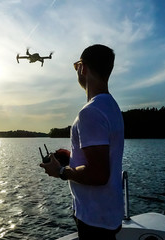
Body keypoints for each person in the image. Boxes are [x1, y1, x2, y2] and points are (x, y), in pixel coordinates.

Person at [40, 44, 124, 240]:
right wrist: (72, 158)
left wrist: (60, 172)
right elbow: (103, 160)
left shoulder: (90, 112)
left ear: (83, 68)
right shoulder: (111, 106)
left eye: (76, 65)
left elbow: (98, 174)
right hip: (107, 214)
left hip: (94, 218)